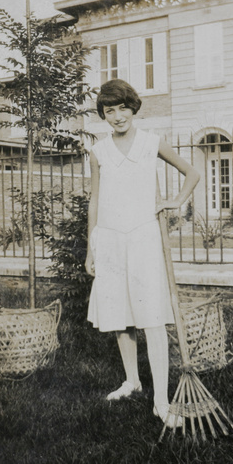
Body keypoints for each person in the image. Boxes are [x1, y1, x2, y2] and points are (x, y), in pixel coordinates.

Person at [85, 79, 200, 428]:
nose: (118, 116)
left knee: (151, 317)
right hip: (109, 239)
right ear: (103, 115)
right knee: (119, 315)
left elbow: (192, 172)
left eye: (123, 108)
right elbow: (95, 198)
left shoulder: (151, 143)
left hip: (144, 237)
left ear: (133, 108)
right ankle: (132, 381)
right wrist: (91, 246)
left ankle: (161, 402)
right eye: (110, 111)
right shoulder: (98, 151)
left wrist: (176, 201)